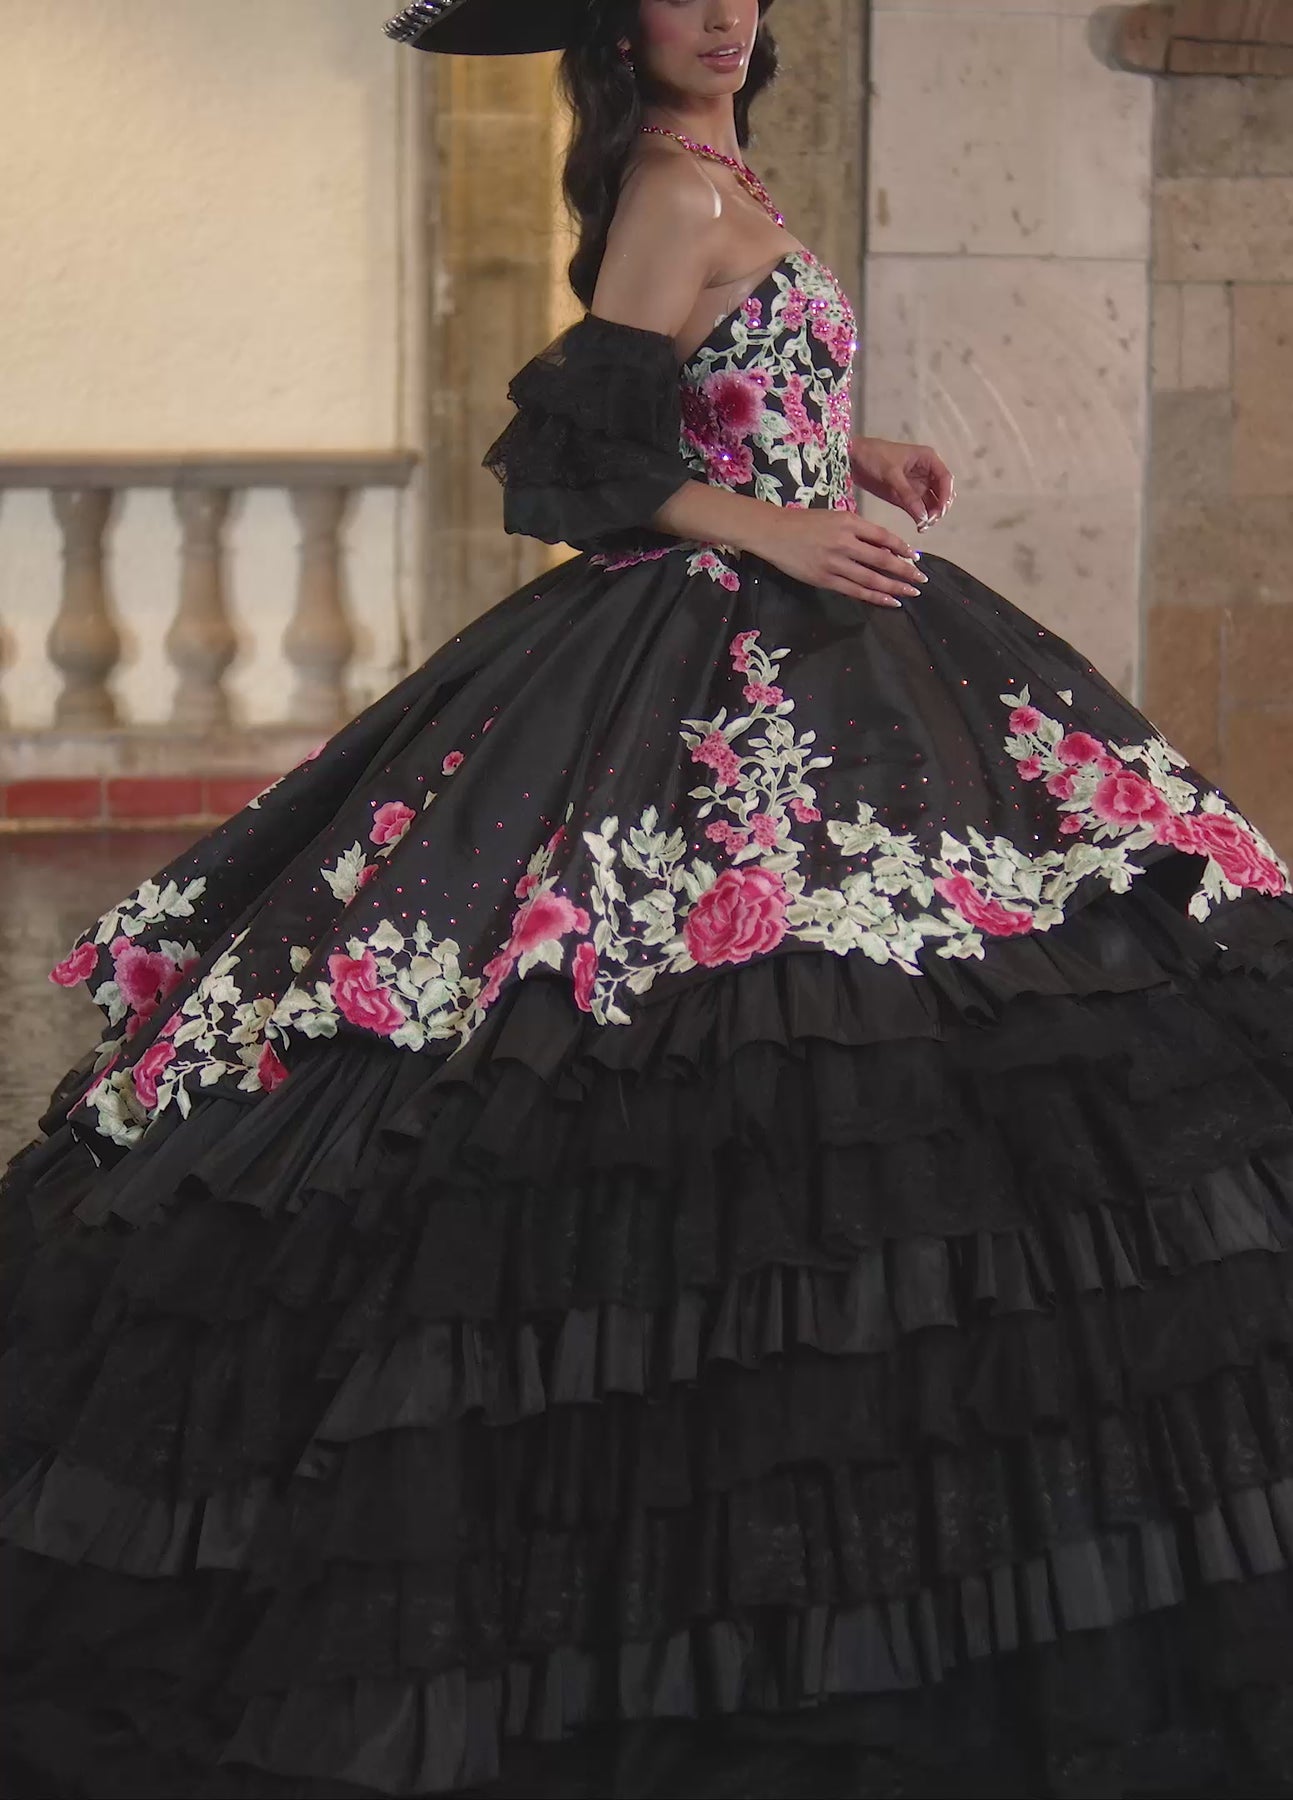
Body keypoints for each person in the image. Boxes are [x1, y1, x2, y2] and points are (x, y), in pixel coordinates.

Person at [3, 0, 1292, 1794]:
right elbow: (568, 468)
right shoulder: (672, 191)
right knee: (695, 1021)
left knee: (916, 990)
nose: (726, 8)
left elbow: (695, 400)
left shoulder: (713, 169)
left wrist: (840, 456)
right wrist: (772, 527)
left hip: (812, 614)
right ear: (623, 15)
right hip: (704, 643)